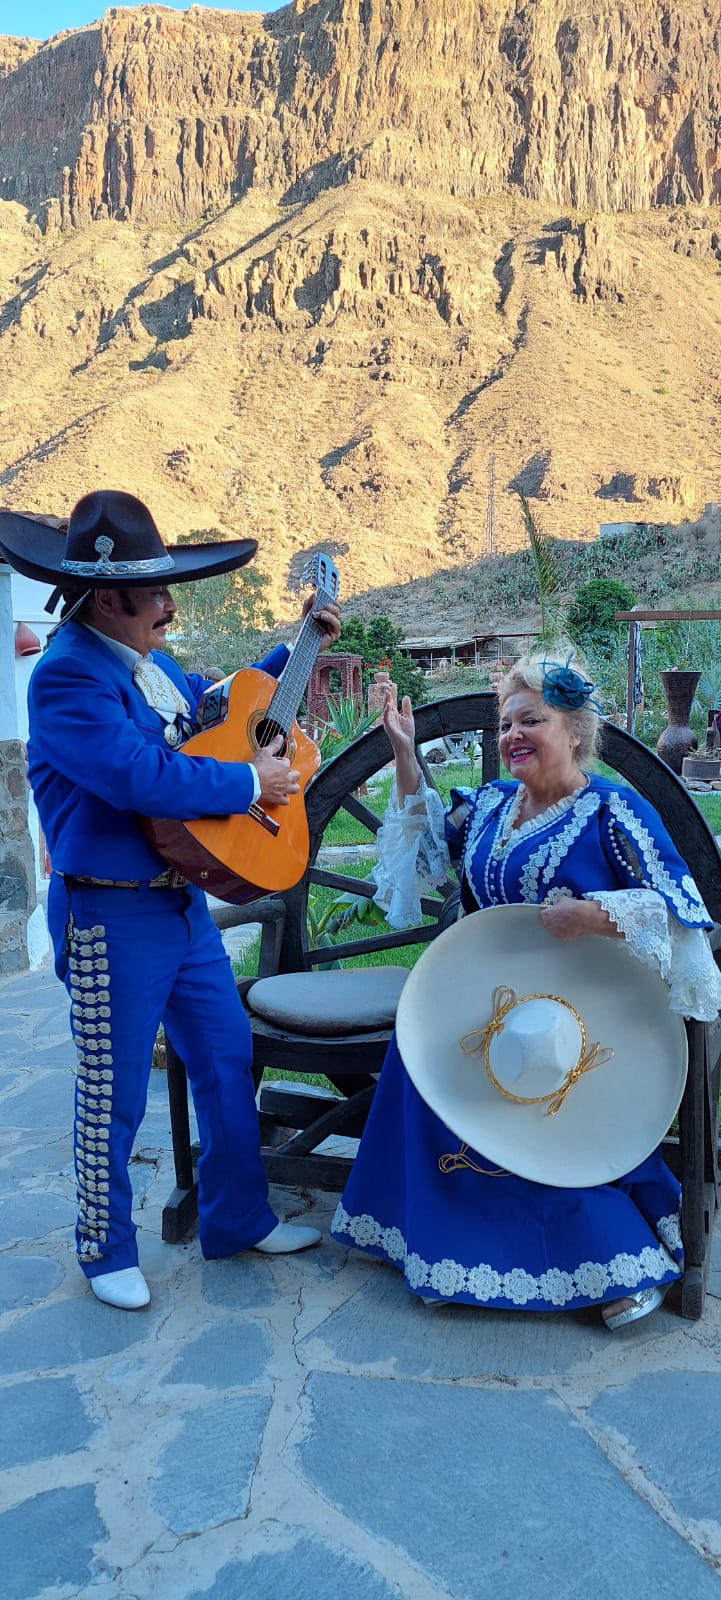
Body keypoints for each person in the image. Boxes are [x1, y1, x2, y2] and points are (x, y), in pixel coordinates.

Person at [0, 490, 341, 1310]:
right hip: (108, 914)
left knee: (225, 1060)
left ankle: (236, 1217)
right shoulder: (67, 677)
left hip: (178, 907)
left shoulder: (145, 665)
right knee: (112, 1090)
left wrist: (296, 645)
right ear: (107, 599)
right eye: (154, 592)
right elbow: (137, 774)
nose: (169, 605)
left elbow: (221, 706)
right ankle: (104, 1248)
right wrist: (248, 783)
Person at [331, 649, 721, 1328]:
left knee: (546, 1129)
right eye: (506, 723)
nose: (512, 734)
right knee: (425, 1058)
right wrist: (403, 753)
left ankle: (610, 1258)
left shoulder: (612, 811)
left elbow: (679, 908)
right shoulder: (488, 807)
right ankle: (450, 1250)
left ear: (574, 729)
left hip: (578, 1022)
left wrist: (592, 915)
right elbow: (429, 860)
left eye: (530, 720)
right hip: (483, 1006)